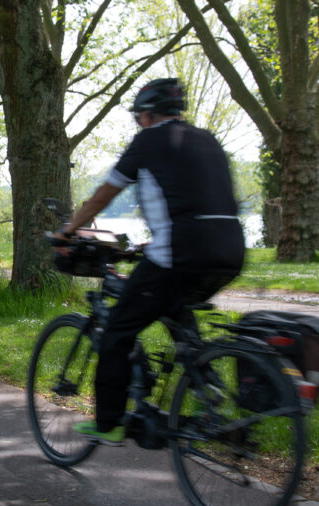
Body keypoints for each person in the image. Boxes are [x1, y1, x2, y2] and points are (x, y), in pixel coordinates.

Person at [57, 77, 245, 443]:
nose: (138, 123)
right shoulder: (207, 139)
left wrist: (68, 231)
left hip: (182, 251)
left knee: (117, 332)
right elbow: (198, 200)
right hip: (229, 250)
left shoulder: (147, 142)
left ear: (146, 115)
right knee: (175, 308)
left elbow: (101, 197)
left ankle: (108, 423)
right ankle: (207, 389)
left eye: (138, 117)